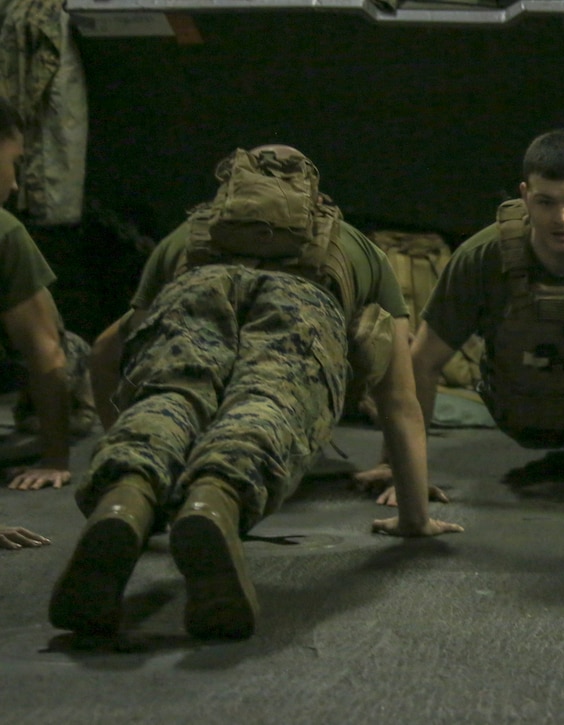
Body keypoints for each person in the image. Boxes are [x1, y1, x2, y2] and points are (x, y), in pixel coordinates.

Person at [50, 145, 462, 641]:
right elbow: (401, 399)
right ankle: (213, 500)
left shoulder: (186, 238)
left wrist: (137, 451)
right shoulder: (356, 247)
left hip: (196, 291)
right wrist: (414, 518)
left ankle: (125, 500)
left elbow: (106, 354)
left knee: (170, 399)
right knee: (265, 407)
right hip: (304, 307)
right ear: (312, 196)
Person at [355, 130, 564, 504]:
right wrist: (399, 469)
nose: (562, 218)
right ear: (524, 197)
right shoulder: (482, 257)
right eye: (545, 202)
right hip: (515, 416)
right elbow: (422, 362)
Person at [0, 96, 84, 490]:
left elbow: (45, 352)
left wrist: (53, 457)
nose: (15, 182)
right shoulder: (4, 233)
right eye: (13, 162)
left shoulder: (5, 234)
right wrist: (54, 458)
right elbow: (44, 352)